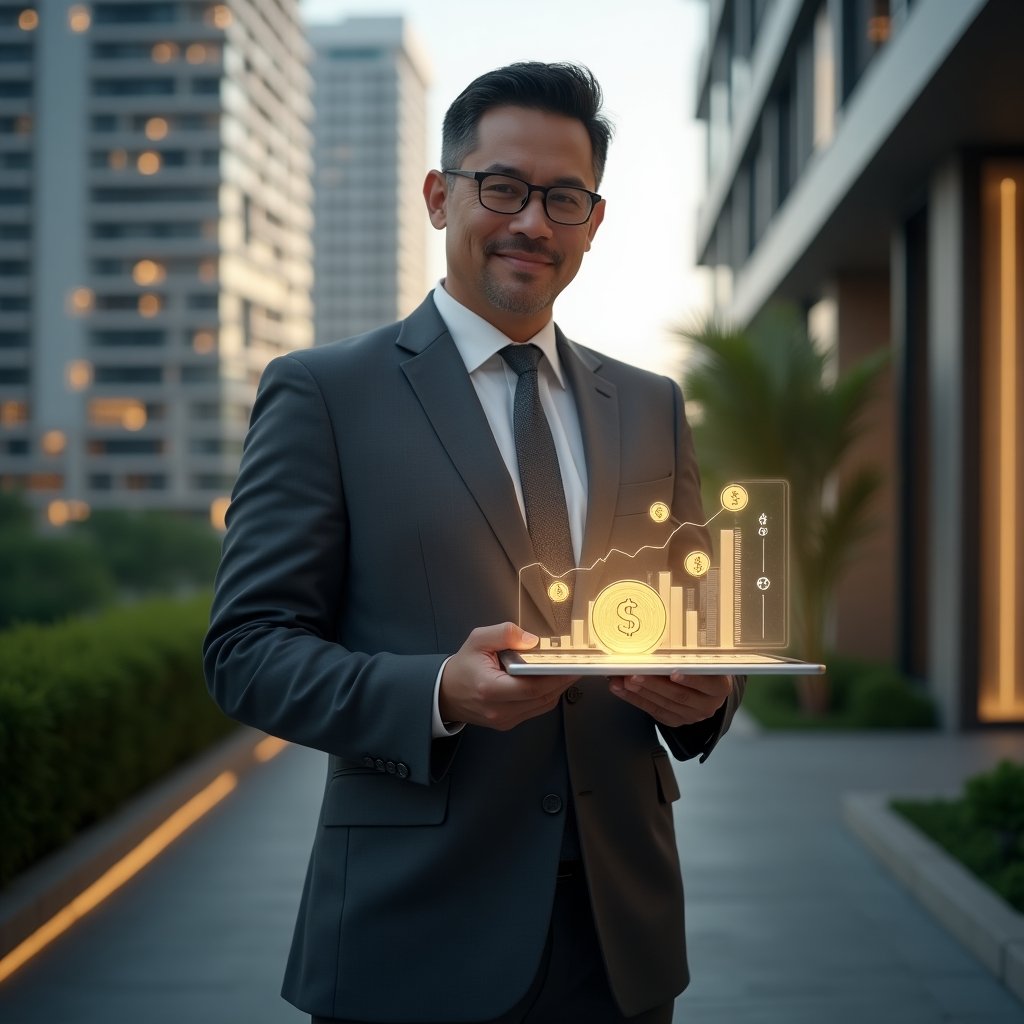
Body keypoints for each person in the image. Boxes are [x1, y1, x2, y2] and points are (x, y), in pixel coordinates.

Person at [204, 61, 743, 1024]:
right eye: (503, 187)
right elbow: (245, 653)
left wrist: (704, 696)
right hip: (413, 932)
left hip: (619, 940)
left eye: (564, 197)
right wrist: (438, 693)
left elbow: (692, 622)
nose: (533, 220)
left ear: (594, 220)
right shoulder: (325, 393)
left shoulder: (651, 405)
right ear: (438, 195)